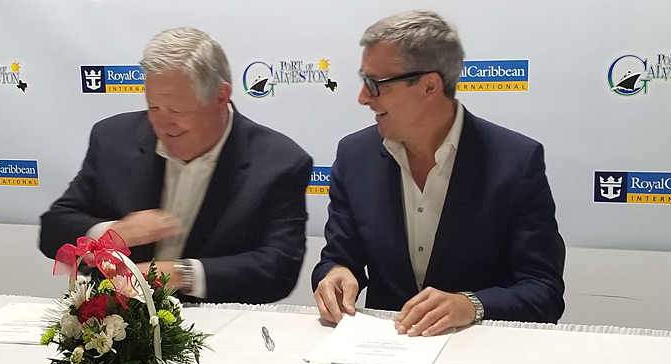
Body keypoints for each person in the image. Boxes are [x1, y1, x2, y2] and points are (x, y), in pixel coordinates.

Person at [312, 10, 565, 336]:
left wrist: (471, 305)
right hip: (383, 349)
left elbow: (543, 292)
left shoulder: (515, 162)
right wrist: (335, 274)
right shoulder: (354, 156)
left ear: (430, 86)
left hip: (478, 350)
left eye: (375, 84)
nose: (363, 98)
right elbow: (337, 257)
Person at [40, 27, 313, 304]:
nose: (161, 124)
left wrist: (183, 274)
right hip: (117, 319)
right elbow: (53, 229)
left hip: (217, 322)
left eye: (176, 110)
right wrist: (112, 234)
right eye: (153, 107)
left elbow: (278, 269)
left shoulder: (279, 163)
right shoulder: (114, 138)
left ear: (221, 97)